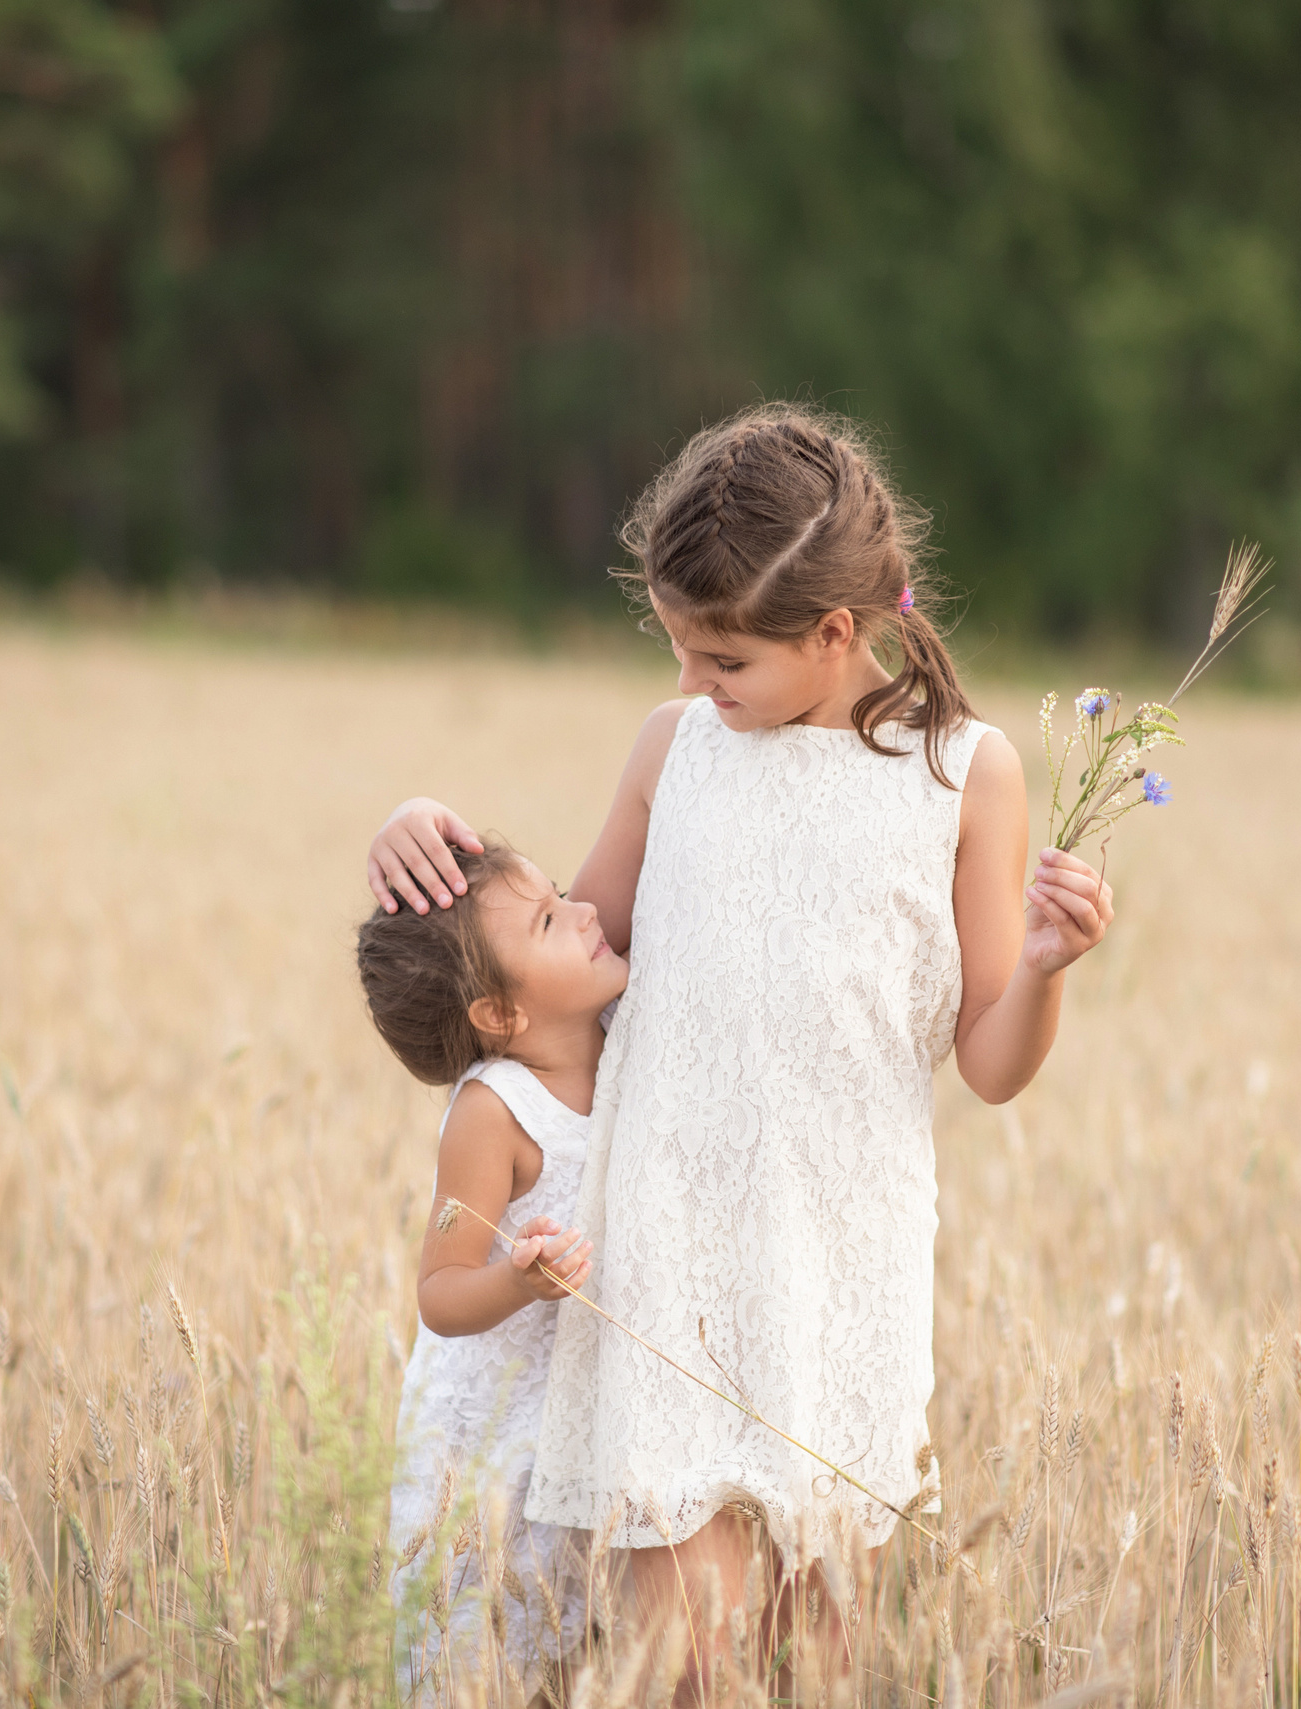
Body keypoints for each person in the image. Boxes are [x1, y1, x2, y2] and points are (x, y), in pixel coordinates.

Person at [365, 403, 1114, 1696]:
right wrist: (436, 850)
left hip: (844, 1276)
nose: (691, 687)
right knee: (690, 1668)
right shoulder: (678, 751)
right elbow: (561, 959)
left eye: (721, 661)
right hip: (663, 1269)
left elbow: (988, 1060)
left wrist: (1044, 967)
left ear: (834, 634)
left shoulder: (966, 775)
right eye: (677, 651)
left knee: (810, 1666)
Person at [358, 840, 624, 1706]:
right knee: (494, 1650)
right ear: (501, 1014)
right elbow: (440, 1286)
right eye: (552, 917)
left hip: (586, 1412)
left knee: (584, 1648)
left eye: (559, 896)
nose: (586, 907)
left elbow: (472, 898)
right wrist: (518, 1279)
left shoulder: (624, 1041)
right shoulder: (493, 1111)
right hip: (496, 1439)